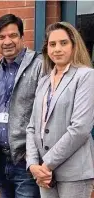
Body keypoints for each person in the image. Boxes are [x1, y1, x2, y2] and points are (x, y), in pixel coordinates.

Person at [26, 21, 94, 198]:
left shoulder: (85, 76)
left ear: (74, 45)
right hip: (44, 174)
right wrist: (33, 164)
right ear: (46, 49)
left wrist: (46, 164)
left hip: (73, 173)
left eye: (63, 43)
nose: (57, 49)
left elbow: (80, 129)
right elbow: (32, 126)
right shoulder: (43, 82)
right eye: (52, 44)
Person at [0, 14, 43, 198]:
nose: (7, 41)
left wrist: (36, 160)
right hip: (0, 161)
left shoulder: (39, 66)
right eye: (1, 37)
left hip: (26, 161)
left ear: (22, 37)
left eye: (13, 35)